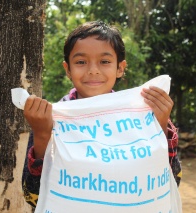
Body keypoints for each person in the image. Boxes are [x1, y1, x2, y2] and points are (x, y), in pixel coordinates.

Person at [21, 20, 182, 208]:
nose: (93, 70)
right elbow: (33, 196)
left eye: (105, 61)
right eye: (81, 62)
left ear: (120, 68)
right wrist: (42, 134)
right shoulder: (51, 120)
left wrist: (159, 127)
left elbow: (171, 183)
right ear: (68, 70)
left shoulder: (143, 115)